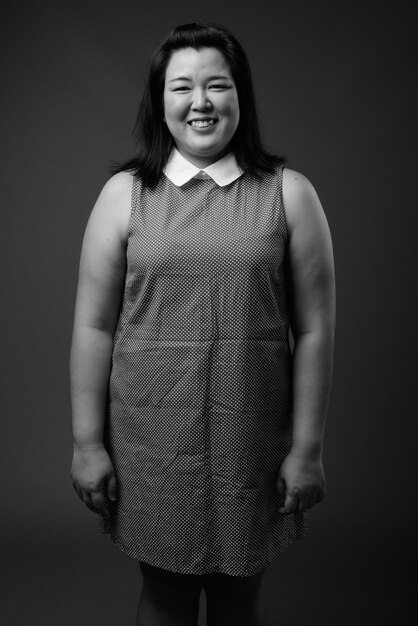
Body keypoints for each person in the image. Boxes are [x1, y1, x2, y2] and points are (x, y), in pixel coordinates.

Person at [69, 21, 335, 626]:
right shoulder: (124, 194)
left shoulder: (289, 195)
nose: (201, 103)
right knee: (164, 595)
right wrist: (87, 443)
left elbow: (316, 331)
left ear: (240, 95)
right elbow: (92, 326)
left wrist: (308, 449)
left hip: (254, 443)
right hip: (149, 442)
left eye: (217, 86)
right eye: (181, 87)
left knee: (239, 597)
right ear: (159, 101)